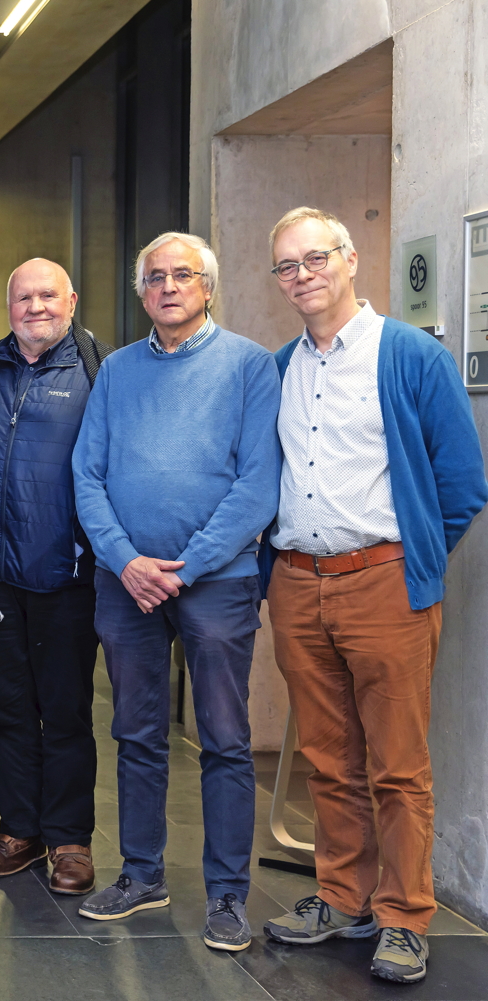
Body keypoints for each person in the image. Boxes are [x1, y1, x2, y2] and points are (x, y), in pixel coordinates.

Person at [259, 207, 488, 984]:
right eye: (287, 266)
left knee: (398, 764)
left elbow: (461, 483)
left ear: (351, 259)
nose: (302, 276)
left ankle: (402, 916)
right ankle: (343, 896)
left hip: (386, 584)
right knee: (329, 760)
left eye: (315, 258)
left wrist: (406, 558)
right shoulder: (282, 366)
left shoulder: (412, 356)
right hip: (298, 584)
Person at [72, 232, 281, 952]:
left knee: (225, 738)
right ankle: (141, 873)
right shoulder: (119, 372)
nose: (168, 286)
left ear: (207, 287)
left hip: (217, 584)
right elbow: (86, 474)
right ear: (142, 293)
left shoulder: (251, 367)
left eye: (182, 275)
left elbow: (258, 484)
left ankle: (226, 894)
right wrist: (127, 560)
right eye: (155, 277)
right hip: (126, 584)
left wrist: (184, 567)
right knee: (136, 733)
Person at [0, 259, 110, 895]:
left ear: (71, 301)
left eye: (48, 295)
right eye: (24, 297)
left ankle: (70, 839)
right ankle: (19, 828)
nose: (36, 307)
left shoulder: (98, 371)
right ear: (8, 304)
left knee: (67, 711)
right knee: (4, 710)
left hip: (68, 575)